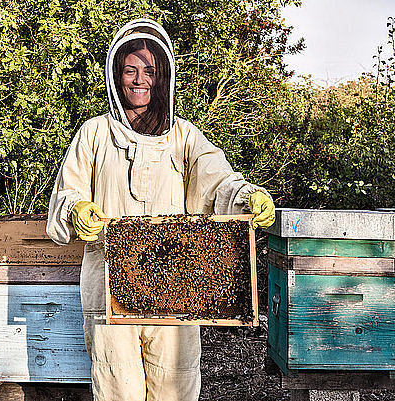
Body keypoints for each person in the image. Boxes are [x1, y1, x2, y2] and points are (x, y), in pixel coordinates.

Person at [46, 19, 275, 401]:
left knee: (176, 384)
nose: (139, 80)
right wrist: (76, 210)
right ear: (116, 76)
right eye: (130, 70)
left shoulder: (184, 135)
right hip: (108, 285)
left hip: (177, 283)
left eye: (149, 71)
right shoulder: (94, 133)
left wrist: (247, 197)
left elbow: (217, 181)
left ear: (163, 77)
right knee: (118, 384)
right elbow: (66, 194)